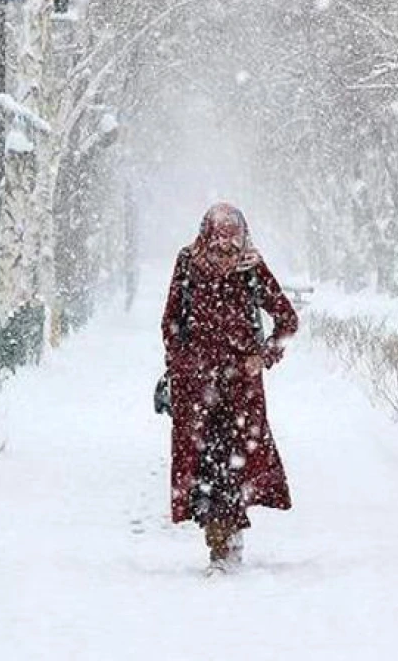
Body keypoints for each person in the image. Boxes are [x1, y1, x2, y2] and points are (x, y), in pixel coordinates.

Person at [160, 203, 299, 574]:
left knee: (232, 465)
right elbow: (171, 322)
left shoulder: (251, 268)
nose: (225, 251)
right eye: (219, 243)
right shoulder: (188, 263)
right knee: (203, 467)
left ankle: (225, 544)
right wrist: (182, 365)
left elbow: (287, 319)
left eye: (232, 244)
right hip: (196, 390)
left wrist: (263, 356)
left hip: (240, 392)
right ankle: (219, 540)